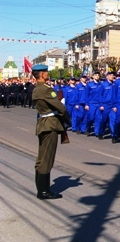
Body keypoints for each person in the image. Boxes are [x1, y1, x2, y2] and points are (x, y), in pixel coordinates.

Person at [31, 64, 71, 200]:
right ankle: (44, 191)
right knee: (47, 158)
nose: (48, 74)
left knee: (42, 158)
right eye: (46, 72)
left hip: (43, 124)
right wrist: (68, 121)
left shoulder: (38, 88)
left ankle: (41, 189)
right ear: (41, 74)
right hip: (50, 125)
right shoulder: (46, 89)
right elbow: (61, 108)